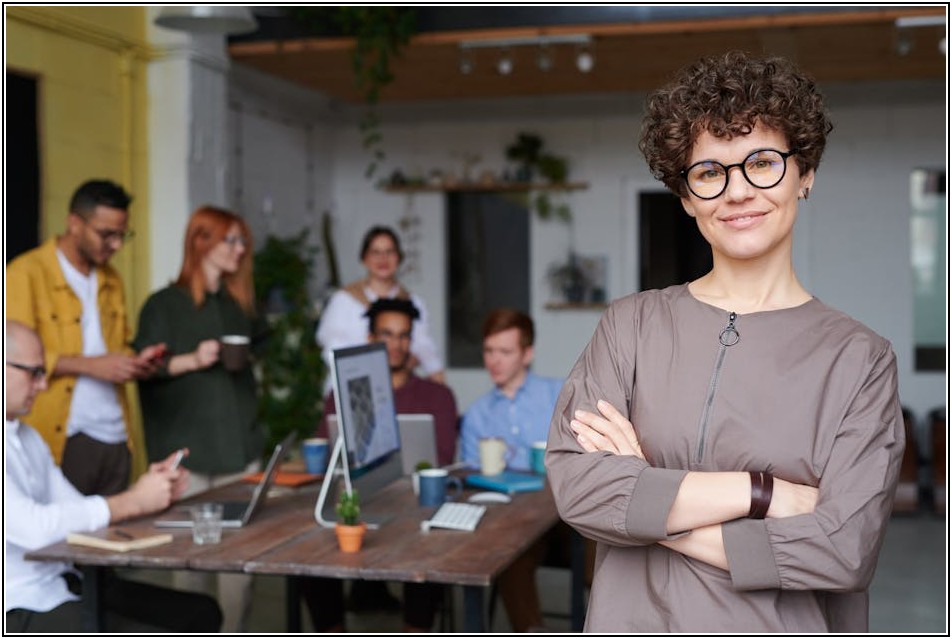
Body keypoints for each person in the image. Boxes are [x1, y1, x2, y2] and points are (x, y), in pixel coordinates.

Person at [547, 50, 904, 633]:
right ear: (688, 197)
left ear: (805, 174)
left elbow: (843, 550)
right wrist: (762, 494)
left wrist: (646, 498)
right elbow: (581, 492)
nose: (737, 191)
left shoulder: (860, 359)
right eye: (710, 172)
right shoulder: (629, 326)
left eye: (762, 163)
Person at [4, 319, 222, 633]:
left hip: (65, 583)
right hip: (18, 604)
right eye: (34, 372)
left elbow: (77, 509)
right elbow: (35, 529)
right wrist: (134, 501)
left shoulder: (28, 437)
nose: (43, 384)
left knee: (201, 613)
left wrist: (148, 492)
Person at [132, 205, 265, 633]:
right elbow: (142, 368)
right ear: (201, 241)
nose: (240, 249)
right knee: (190, 565)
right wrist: (191, 359)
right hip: (187, 452)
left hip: (239, 449)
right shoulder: (163, 305)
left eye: (243, 241)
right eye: (231, 239)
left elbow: (254, 361)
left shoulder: (238, 306)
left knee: (239, 566)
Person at [303, 297, 459, 632]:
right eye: (386, 334)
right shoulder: (342, 394)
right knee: (310, 552)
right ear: (371, 339)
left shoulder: (438, 395)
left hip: (415, 506)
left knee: (430, 548)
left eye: (403, 336)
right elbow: (328, 454)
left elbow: (443, 458)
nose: (396, 344)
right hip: (357, 500)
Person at [5, 179, 166, 496]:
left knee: (119, 523)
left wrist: (135, 363)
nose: (116, 245)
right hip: (64, 436)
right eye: (106, 234)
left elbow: (115, 347)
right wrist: (93, 366)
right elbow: (12, 356)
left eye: (122, 235)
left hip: (117, 435)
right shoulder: (25, 273)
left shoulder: (112, 279)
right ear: (74, 224)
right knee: (68, 525)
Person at [459, 308, 564, 632]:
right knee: (508, 551)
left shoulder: (558, 393)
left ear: (527, 354)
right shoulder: (477, 414)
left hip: (565, 516)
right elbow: (471, 479)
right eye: (489, 351)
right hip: (515, 522)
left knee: (601, 526)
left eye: (505, 352)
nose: (494, 360)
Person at [316, 225, 445, 391]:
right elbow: (332, 349)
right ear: (364, 258)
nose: (383, 259)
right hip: (350, 386)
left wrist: (437, 376)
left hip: (397, 389)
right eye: (375, 252)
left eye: (389, 252)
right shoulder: (344, 300)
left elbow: (423, 347)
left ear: (399, 258)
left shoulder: (412, 303)